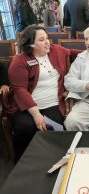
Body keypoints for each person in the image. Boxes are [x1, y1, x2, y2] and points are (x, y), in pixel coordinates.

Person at [3, 25, 81, 162]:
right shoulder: (20, 61)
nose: (47, 42)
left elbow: (74, 52)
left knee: (55, 127)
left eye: (47, 38)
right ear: (30, 44)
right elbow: (20, 91)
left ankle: (52, 160)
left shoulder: (56, 50)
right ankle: (23, 161)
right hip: (25, 106)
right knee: (25, 127)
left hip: (52, 103)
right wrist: (36, 114)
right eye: (41, 39)